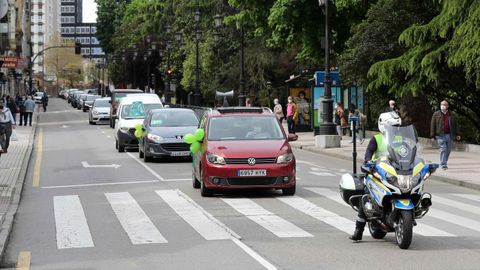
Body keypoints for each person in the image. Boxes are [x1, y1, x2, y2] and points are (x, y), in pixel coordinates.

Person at [350, 111, 402, 241]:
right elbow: (369, 153)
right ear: (384, 125)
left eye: (397, 126)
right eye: (393, 126)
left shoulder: (400, 139)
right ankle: (358, 230)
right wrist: (368, 161)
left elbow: (406, 152)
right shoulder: (377, 139)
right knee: (366, 196)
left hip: (395, 173)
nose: (396, 129)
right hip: (377, 172)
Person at [430, 100, 460, 170]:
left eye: (444, 104)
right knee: (443, 149)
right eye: (441, 104)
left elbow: (456, 125)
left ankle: (444, 162)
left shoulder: (451, 114)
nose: (442, 106)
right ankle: (443, 164)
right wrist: (432, 135)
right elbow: (432, 124)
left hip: (450, 135)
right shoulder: (436, 114)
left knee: (448, 150)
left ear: (447, 106)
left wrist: (458, 134)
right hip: (440, 135)